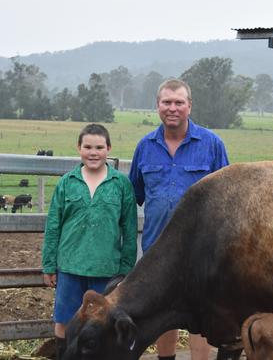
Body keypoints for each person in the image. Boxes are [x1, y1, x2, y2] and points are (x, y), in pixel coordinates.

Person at [129, 79, 229, 360]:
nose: (172, 108)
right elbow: (132, 195)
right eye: (167, 102)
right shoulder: (145, 147)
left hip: (200, 250)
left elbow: (227, 198)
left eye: (178, 102)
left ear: (189, 106)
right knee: (162, 314)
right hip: (157, 250)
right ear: (158, 105)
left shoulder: (211, 144)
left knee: (200, 315)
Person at [42, 123, 138, 360]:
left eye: (99, 147)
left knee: (102, 324)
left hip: (106, 269)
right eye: (87, 147)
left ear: (108, 149)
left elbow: (129, 228)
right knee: (64, 319)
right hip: (70, 265)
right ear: (79, 148)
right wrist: (49, 264)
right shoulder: (67, 182)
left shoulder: (121, 184)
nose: (93, 152)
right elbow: (53, 225)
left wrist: (126, 269)